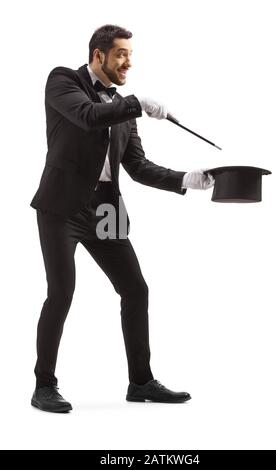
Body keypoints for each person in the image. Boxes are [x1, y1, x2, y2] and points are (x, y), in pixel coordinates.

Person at [30, 24, 215, 413]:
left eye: (130, 54)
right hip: (62, 207)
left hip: (106, 209)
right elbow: (86, 115)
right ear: (99, 55)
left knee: (135, 290)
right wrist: (136, 103)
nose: (129, 62)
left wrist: (186, 179)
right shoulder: (64, 81)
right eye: (121, 54)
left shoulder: (122, 107)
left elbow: (138, 166)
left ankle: (141, 382)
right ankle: (44, 385)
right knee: (61, 294)